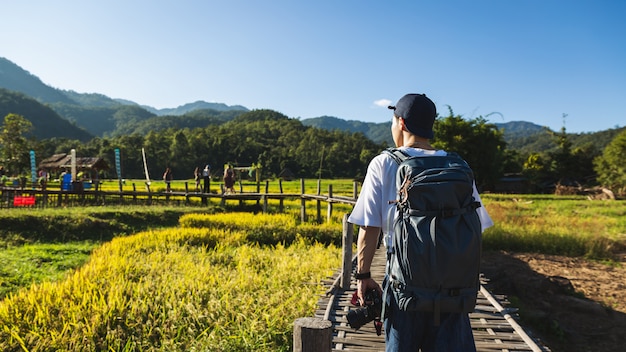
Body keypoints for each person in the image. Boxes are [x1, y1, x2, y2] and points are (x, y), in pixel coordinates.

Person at [348, 93, 494, 351]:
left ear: (401, 123)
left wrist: (363, 276)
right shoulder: (457, 165)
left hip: (404, 288)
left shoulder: (384, 163)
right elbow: (477, 225)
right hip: (453, 289)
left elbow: (368, 228)